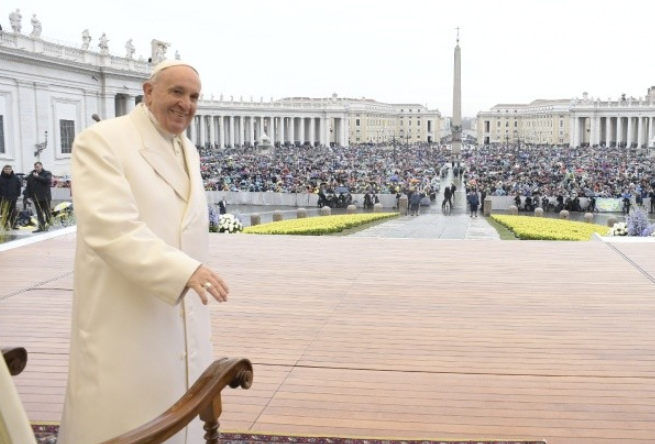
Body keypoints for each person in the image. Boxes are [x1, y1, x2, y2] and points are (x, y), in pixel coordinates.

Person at [57, 60, 230, 444]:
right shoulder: (101, 141)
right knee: (125, 421)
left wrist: (188, 272)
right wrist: (183, 271)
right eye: (177, 92)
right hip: (124, 318)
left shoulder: (188, 148)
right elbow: (110, 227)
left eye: (194, 96)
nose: (186, 104)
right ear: (148, 92)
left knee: (183, 417)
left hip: (183, 314)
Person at [23, 162, 52, 232]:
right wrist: (27, 197)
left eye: (38, 167)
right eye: (35, 167)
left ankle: (49, 226)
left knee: (47, 212)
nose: (36, 168)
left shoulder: (47, 173)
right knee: (39, 213)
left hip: (45, 197)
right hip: (36, 198)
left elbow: (47, 180)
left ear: (41, 166)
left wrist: (38, 177)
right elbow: (28, 187)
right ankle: (41, 227)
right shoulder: (31, 175)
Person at [0, 165, 22, 229]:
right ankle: (5, 225)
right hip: (3, 198)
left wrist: (17, 194)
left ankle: (13, 224)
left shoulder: (15, 178)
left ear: (11, 170)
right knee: (4, 212)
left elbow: (18, 186)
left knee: (12, 212)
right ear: (3, 170)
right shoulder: (1, 178)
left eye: (9, 169)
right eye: (6, 169)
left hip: (13, 197)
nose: (8, 170)